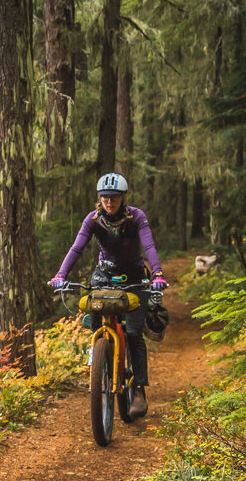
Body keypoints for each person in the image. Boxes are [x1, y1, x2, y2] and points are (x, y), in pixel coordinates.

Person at [48, 173, 169, 418]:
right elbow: (77, 247)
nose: (109, 202)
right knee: (94, 321)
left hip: (135, 278)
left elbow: (149, 247)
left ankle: (138, 389)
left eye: (113, 197)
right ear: (99, 199)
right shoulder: (93, 219)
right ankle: (100, 362)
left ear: (122, 197)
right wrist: (61, 274)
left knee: (134, 332)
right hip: (103, 276)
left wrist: (157, 274)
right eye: (104, 198)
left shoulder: (137, 217)